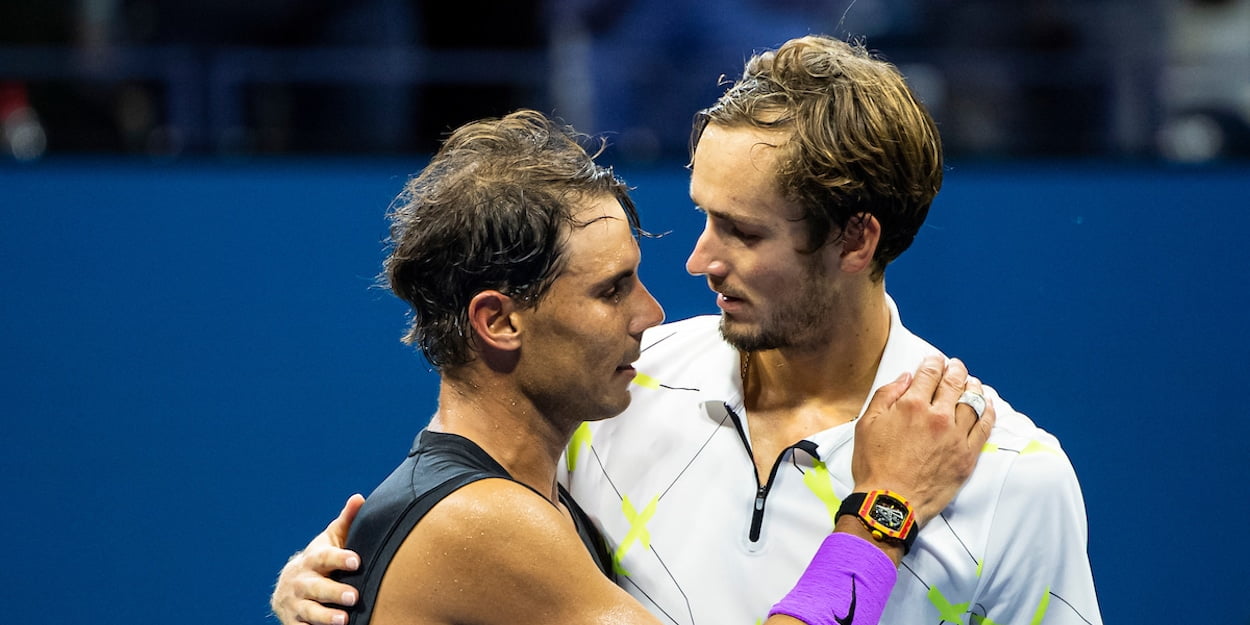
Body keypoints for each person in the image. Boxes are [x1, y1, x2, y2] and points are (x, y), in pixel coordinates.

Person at [274, 34, 1099, 625]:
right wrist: (351, 567)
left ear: (856, 238)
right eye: (703, 215)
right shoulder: (613, 384)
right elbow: (460, 504)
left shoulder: (1012, 475)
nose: (693, 268)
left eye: (742, 231)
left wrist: (360, 561)